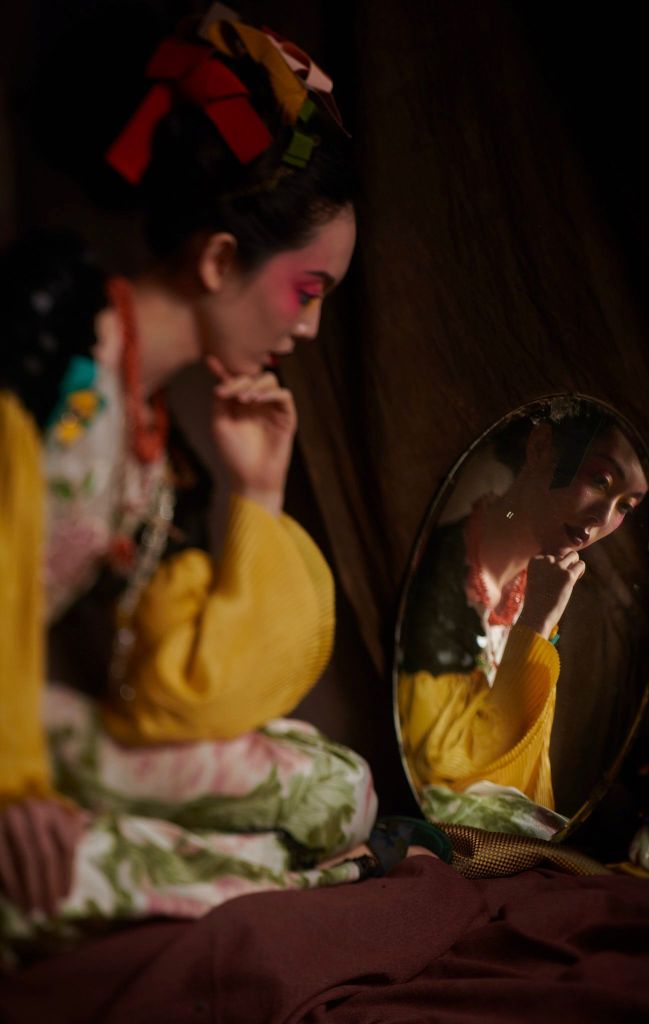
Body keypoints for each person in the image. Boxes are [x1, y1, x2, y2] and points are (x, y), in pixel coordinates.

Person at [0, 9, 448, 952]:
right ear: (217, 260)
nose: (308, 328)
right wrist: (13, 780)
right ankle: (278, 884)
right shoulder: (41, 356)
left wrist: (256, 495)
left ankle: (255, 872)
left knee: (337, 787)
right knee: (78, 875)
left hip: (36, 731)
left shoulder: (148, 429)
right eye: (305, 292)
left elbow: (172, 699)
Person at [398, 403, 649, 812]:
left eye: (625, 506)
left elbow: (531, 778)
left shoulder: (536, 588)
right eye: (600, 480)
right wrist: (534, 627)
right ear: (541, 447)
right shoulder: (448, 573)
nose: (602, 516)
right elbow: (441, 774)